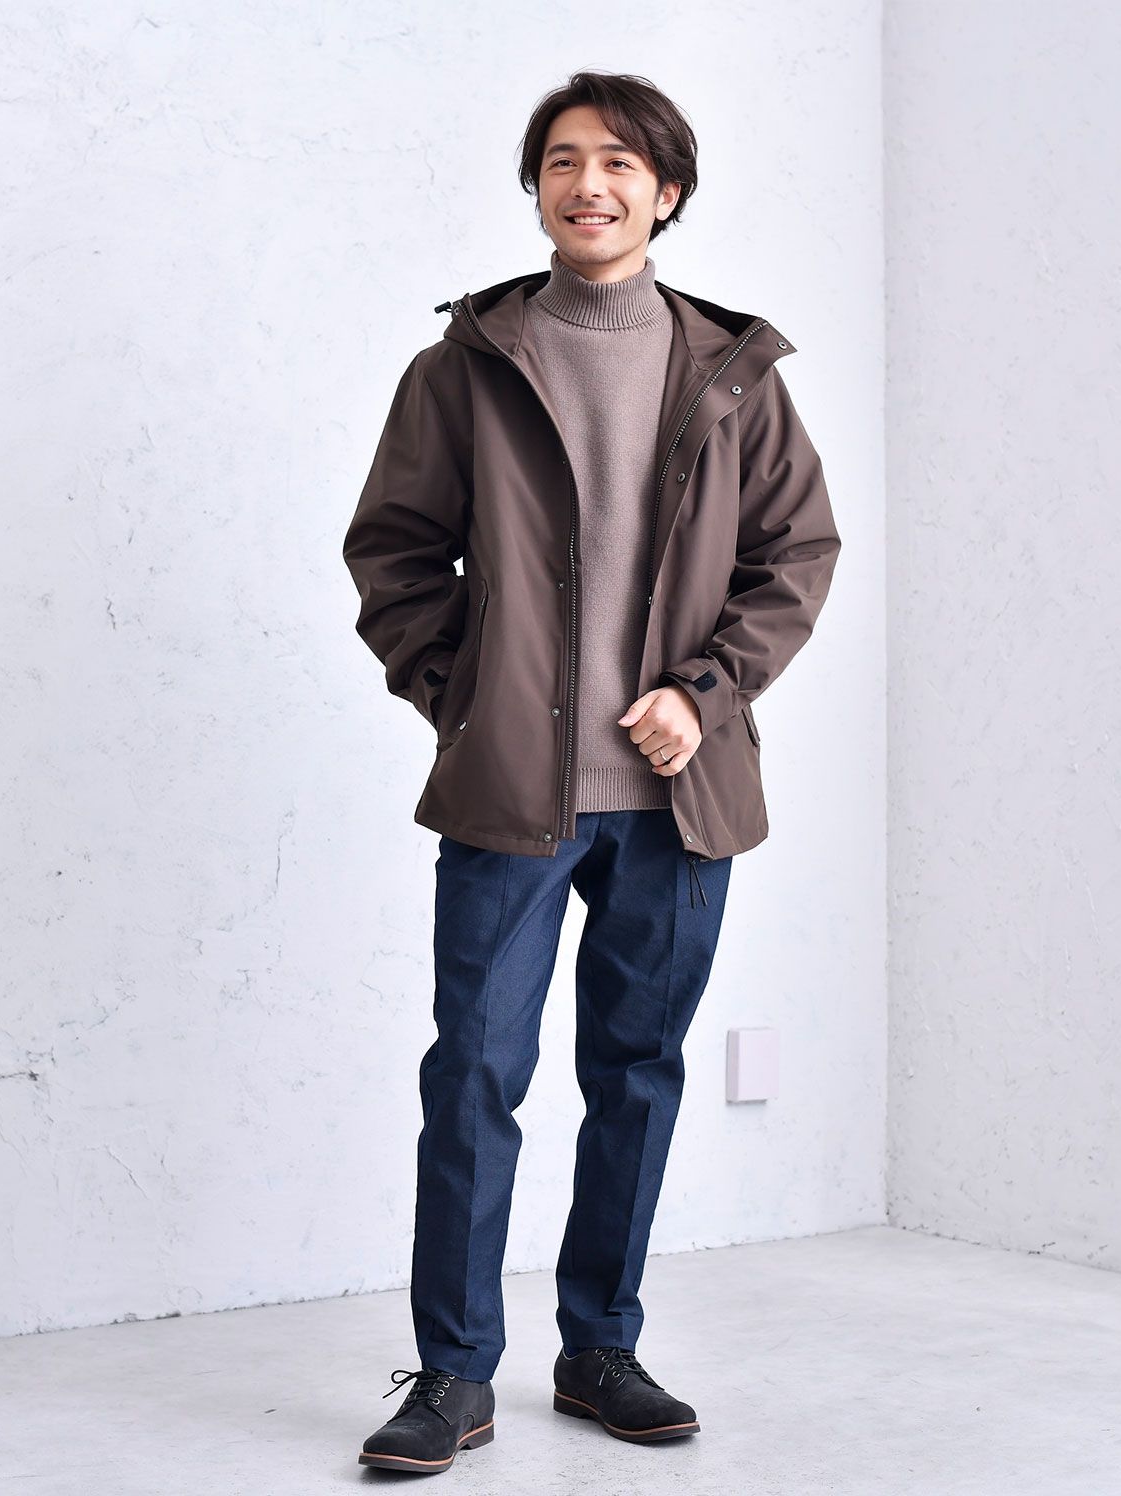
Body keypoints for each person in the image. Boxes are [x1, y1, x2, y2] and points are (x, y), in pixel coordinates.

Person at [342, 68, 841, 1474]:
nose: (589, 184)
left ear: (666, 191)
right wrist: (468, 703)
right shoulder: (467, 365)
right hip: (512, 798)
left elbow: (797, 555)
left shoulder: (734, 374)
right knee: (473, 1077)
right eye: (563, 160)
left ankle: (600, 1347)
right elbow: (394, 553)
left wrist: (706, 692)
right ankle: (455, 1376)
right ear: (538, 188)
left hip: (677, 806)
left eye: (620, 162)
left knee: (636, 1076)